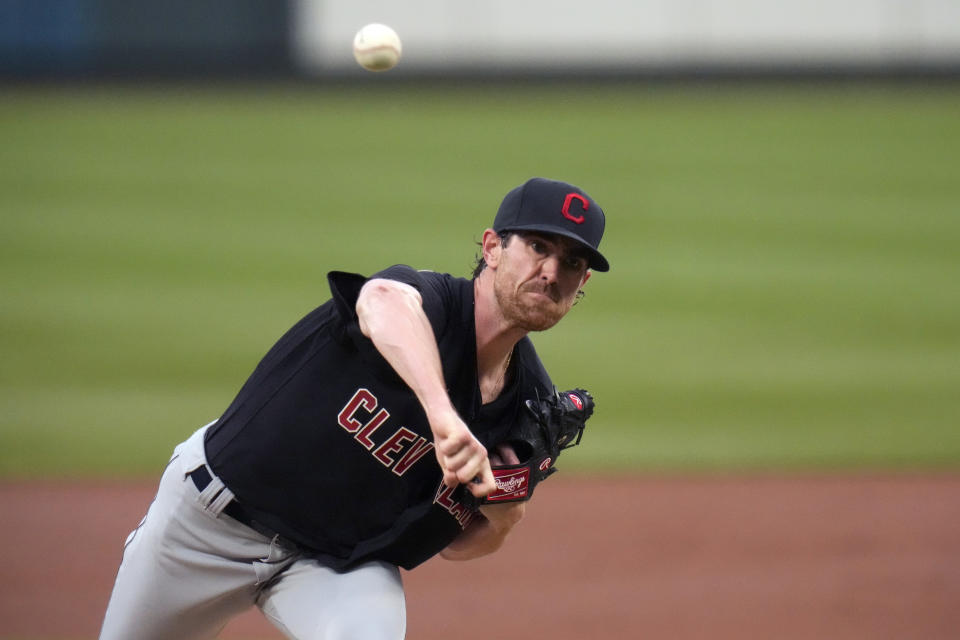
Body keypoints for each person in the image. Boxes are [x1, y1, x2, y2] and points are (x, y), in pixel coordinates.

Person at [98, 176, 610, 640]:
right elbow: (380, 301)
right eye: (538, 246)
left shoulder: (529, 408)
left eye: (572, 262)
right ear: (493, 247)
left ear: (582, 285)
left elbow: (457, 545)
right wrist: (442, 414)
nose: (550, 272)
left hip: (337, 565)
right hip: (209, 526)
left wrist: (503, 520)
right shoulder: (426, 298)